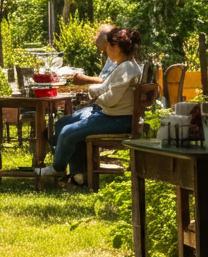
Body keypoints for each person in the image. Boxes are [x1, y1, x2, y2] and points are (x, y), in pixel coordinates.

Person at [38, 27, 144, 187]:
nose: (105, 52)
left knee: (68, 132)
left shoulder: (126, 68)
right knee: (65, 124)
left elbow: (110, 99)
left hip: (118, 120)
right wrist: (92, 92)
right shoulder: (124, 66)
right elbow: (105, 88)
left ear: (114, 46)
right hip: (112, 115)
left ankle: (58, 168)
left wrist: (94, 99)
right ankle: (78, 176)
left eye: (107, 47)